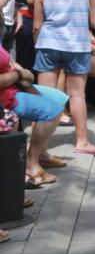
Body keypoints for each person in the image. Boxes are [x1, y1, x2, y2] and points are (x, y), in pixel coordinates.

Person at [34, 0, 95, 156]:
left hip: (48, 44)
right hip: (77, 46)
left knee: (46, 97)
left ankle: (41, 147)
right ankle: (82, 141)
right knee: (77, 94)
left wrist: (38, 46)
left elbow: (37, 27)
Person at [0, 49, 69, 185]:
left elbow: (11, 62)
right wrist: (19, 74)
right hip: (4, 95)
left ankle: (41, 153)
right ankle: (31, 163)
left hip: (14, 86)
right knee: (51, 111)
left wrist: (24, 73)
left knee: (58, 98)